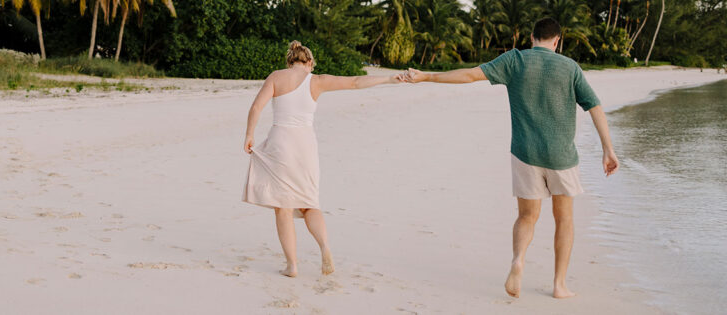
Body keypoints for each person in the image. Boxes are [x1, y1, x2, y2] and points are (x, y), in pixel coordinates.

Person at [401, 17, 619, 299]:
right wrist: (608, 149)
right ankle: (559, 285)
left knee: (527, 216)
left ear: (531, 38)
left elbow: (470, 74)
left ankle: (518, 260)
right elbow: (594, 106)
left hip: (525, 153)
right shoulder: (569, 67)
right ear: (557, 41)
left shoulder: (515, 60)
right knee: (564, 218)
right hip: (561, 156)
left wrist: (426, 76)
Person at [243, 40, 402, 277]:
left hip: (281, 142)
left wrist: (249, 135)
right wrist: (389, 79)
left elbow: (256, 107)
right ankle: (325, 247)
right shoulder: (317, 81)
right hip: (306, 145)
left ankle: (292, 266)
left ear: (290, 62)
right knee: (309, 204)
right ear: (309, 62)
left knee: (284, 207)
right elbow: (355, 82)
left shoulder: (277, 77)